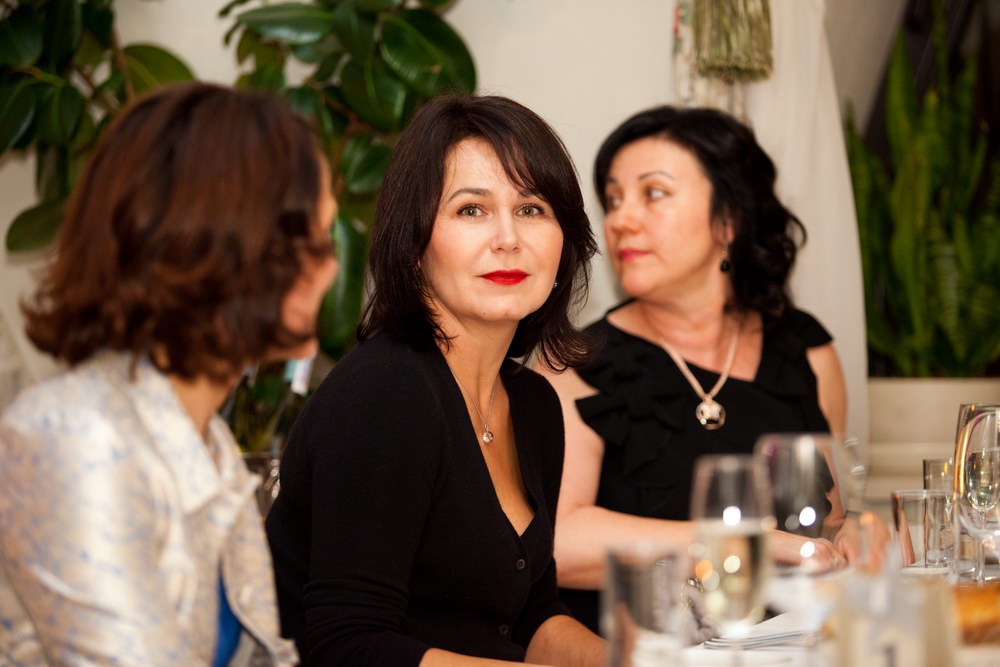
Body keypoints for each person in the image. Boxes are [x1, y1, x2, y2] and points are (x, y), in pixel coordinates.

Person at [0, 82, 338, 665]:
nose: (331, 268)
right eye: (318, 237)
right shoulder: (73, 434)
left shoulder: (211, 442)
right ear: (232, 248)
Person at [265, 93, 605, 667]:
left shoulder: (532, 402)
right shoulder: (386, 393)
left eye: (531, 209)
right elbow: (346, 646)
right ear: (414, 241)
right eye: (471, 210)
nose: (508, 238)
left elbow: (531, 614)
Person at [536, 105, 855, 632]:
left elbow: (825, 523)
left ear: (728, 221)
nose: (619, 220)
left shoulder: (805, 351)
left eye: (653, 193)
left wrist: (857, 534)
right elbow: (559, 546)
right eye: (613, 200)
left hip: (792, 644)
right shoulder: (575, 362)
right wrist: (734, 545)